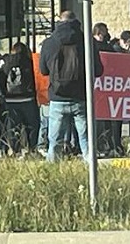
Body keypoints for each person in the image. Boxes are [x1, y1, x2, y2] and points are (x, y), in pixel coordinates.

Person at [40, 10, 104, 162]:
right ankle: (90, 170)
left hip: (57, 96)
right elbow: (99, 71)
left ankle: (52, 172)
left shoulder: (49, 43)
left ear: (59, 21)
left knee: (54, 141)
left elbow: (43, 70)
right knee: (86, 140)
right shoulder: (87, 41)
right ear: (76, 21)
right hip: (81, 96)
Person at [0, 42, 40, 156]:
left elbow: (1, 79)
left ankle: (15, 150)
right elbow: (35, 78)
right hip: (27, 98)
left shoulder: (6, 62)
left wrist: (4, 94)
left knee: (13, 126)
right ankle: (32, 149)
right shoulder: (29, 62)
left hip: (11, 100)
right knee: (31, 125)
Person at [91, 23, 116, 157]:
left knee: (106, 120)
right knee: (97, 120)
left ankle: (107, 144)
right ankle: (98, 144)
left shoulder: (108, 46)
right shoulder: (91, 45)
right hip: (96, 87)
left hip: (107, 87)